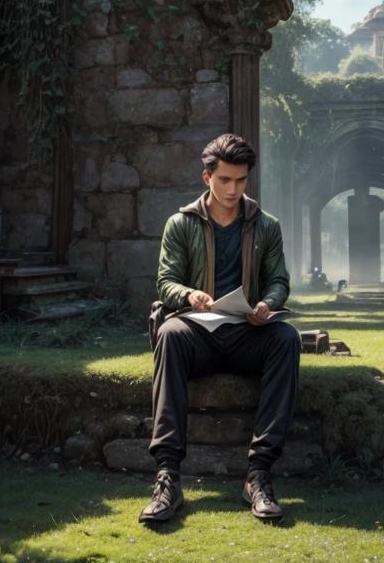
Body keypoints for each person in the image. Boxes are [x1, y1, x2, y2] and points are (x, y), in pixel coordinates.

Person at [140, 133, 300, 525]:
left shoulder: (267, 226)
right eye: (225, 180)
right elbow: (166, 282)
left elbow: (279, 280)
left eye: (241, 180)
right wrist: (190, 294)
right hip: (198, 334)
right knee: (169, 334)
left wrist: (268, 304)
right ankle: (167, 479)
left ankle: (258, 475)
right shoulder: (180, 224)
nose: (233, 189)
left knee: (287, 338)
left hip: (247, 333)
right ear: (206, 177)